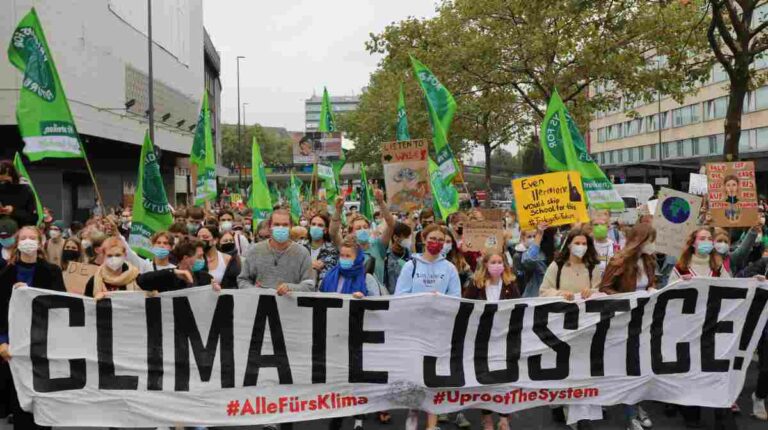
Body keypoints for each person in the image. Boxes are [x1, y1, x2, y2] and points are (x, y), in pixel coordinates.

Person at [395, 223, 461, 430]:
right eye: (432, 238)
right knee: (415, 373)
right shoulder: (410, 266)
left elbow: (456, 298)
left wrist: (439, 301)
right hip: (414, 328)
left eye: (441, 240)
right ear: (423, 239)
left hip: (439, 329)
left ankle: (432, 423)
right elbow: (400, 296)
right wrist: (423, 299)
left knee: (434, 375)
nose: (436, 243)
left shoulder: (449, 268)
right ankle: (413, 412)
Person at [668, 227, 734, 428]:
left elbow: (733, 288)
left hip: (713, 328)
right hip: (688, 330)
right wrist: (679, 284)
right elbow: (667, 298)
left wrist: (754, 283)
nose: (707, 241)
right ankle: (691, 416)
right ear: (693, 243)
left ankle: (720, 417)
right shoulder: (680, 268)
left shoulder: (718, 266)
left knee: (714, 372)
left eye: (709, 238)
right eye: (702, 238)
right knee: (691, 372)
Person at [0, 226, 65, 430]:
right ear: (17, 243)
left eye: (32, 237)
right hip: (15, 345)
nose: (28, 241)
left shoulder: (52, 271)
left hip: (44, 343)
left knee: (43, 402)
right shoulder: (5, 273)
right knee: (20, 403)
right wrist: (2, 341)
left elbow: (61, 305)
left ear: (40, 242)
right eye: (24, 237)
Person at [599, 224, 657, 430]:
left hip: (644, 321)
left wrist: (652, 288)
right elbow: (604, 288)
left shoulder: (649, 260)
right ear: (639, 240)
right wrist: (629, 299)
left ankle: (638, 405)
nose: (653, 244)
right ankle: (631, 413)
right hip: (623, 322)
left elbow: (651, 283)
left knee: (642, 367)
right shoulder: (619, 261)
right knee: (628, 367)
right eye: (650, 240)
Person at [463, 251, 519, 430]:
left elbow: (519, 306)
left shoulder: (511, 283)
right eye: (493, 262)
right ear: (485, 264)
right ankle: (486, 417)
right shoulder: (476, 284)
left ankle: (504, 417)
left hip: (505, 337)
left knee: (505, 377)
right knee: (485, 377)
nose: (497, 265)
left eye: (499, 262)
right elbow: (466, 307)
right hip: (482, 339)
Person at [237, 209, 315, 294]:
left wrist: (290, 288)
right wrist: (257, 292)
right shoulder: (255, 250)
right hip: (260, 305)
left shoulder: (302, 253)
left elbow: (309, 285)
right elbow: (243, 280)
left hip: (290, 305)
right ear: (270, 226)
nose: (281, 228)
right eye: (276, 224)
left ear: (291, 226)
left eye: (285, 225)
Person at [330, 189, 394, 285]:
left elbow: (391, 225)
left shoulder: (378, 245)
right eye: (358, 228)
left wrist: (381, 202)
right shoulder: (346, 248)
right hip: (352, 295)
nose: (363, 230)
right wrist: (338, 210)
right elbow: (333, 233)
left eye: (365, 227)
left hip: (375, 296)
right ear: (351, 232)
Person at [136, 239, 213, 292]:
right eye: (199, 256)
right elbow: (141, 281)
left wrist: (216, 290)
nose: (203, 260)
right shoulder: (168, 277)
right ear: (186, 258)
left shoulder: (205, 278)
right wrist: (172, 271)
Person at [520, 223, 556, 297]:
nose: (533, 239)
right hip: (535, 298)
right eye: (530, 237)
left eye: (534, 236)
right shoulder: (530, 254)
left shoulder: (554, 253)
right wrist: (539, 234)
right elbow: (529, 260)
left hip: (553, 298)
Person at [0, 160, 39, 228]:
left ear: (7, 170)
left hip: (20, 231)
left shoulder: (25, 189)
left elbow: (32, 218)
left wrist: (13, 211)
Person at [308, 214, 338, 286]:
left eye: (320, 225)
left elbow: (329, 271)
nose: (316, 227)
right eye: (313, 224)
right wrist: (310, 264)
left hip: (321, 290)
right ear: (309, 227)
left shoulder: (332, 249)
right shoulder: (301, 245)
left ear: (325, 230)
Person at [383, 222, 413, 294]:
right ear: (395, 238)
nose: (408, 240)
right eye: (405, 237)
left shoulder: (410, 256)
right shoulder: (386, 256)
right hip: (390, 297)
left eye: (409, 237)